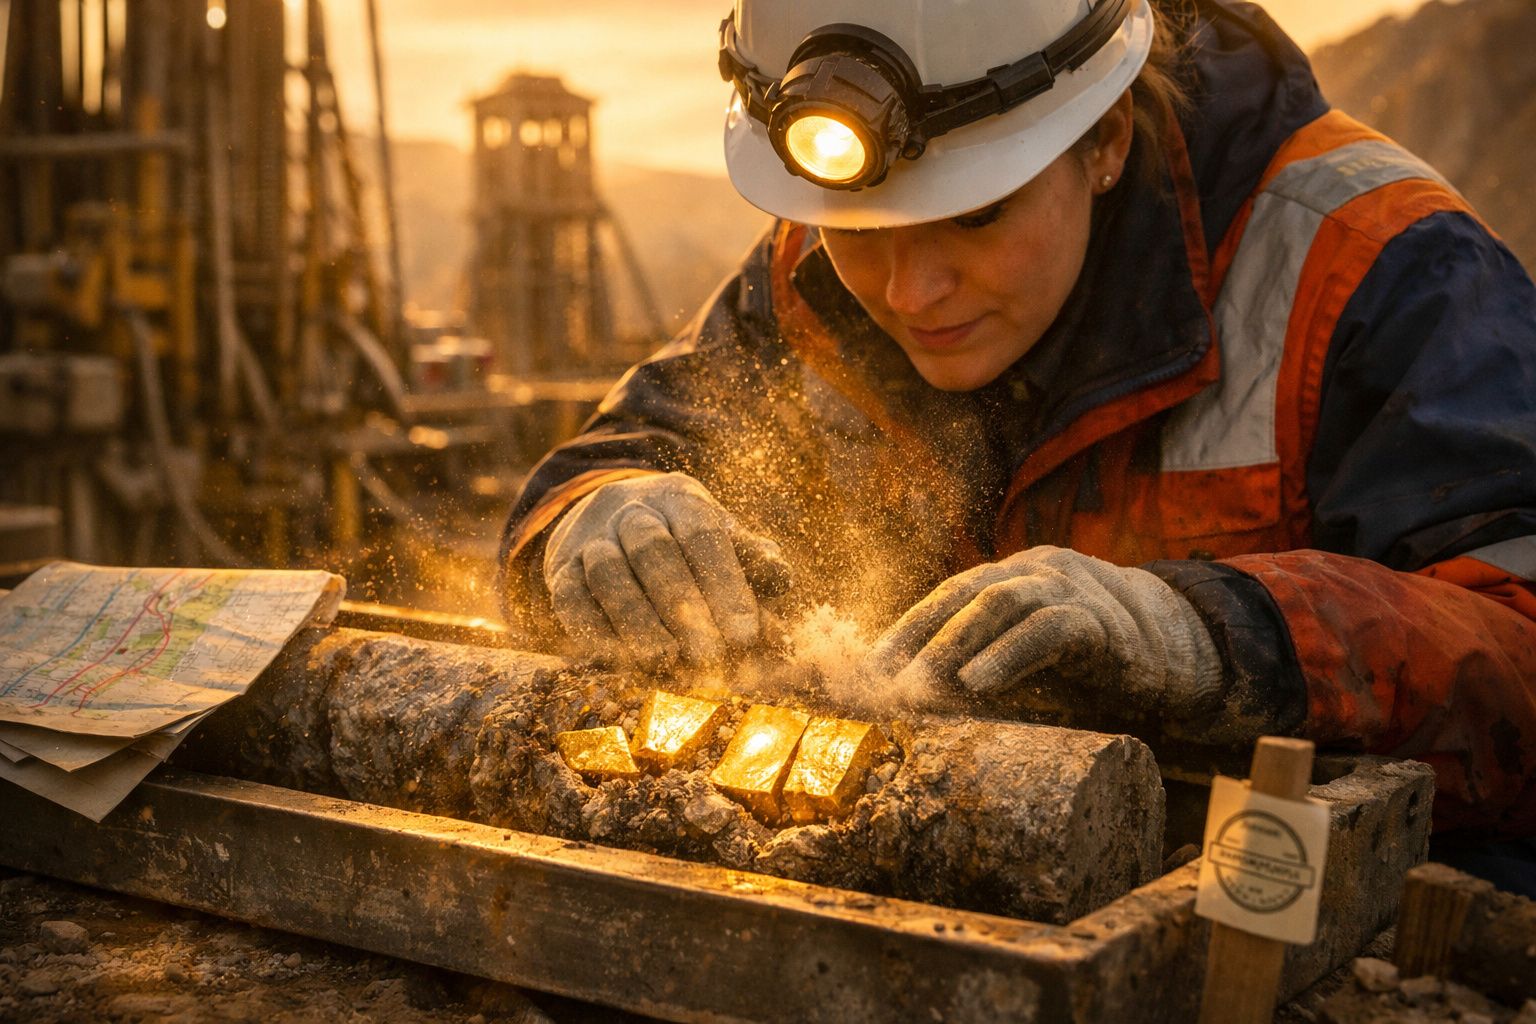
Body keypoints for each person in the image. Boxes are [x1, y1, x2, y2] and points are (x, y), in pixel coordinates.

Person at [498, 0, 1536, 887]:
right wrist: (598, 515)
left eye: (979, 215)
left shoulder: (1377, 265)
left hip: (1287, 905)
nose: (911, 292)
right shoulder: (811, 272)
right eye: (860, 230)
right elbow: (604, 466)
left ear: (1106, 140)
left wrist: (1219, 636)